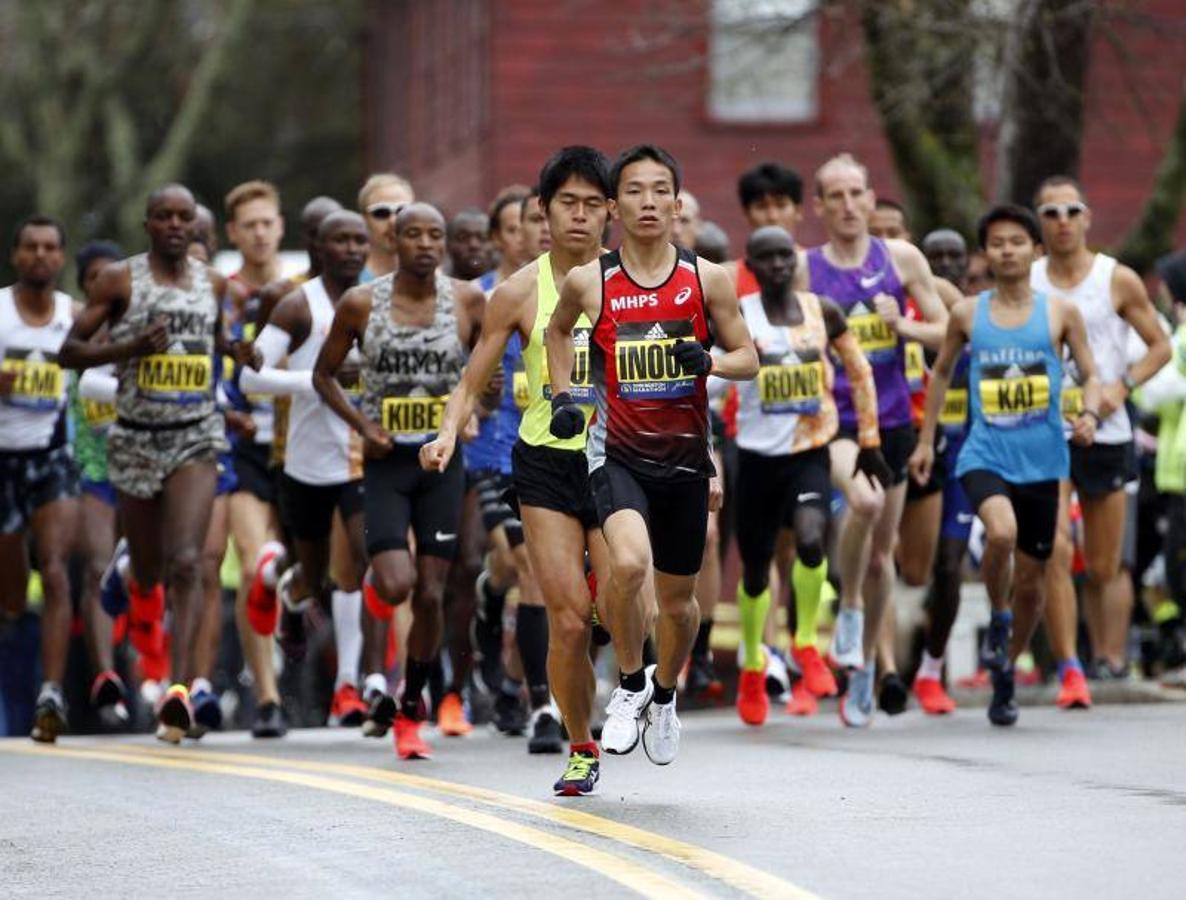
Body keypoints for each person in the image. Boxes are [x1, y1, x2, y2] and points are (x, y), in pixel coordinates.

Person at [547, 143, 758, 766]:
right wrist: (564, 396)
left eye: (659, 190)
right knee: (627, 568)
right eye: (634, 191)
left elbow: (749, 358)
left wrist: (712, 361)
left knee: (678, 604)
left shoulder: (706, 278)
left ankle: (665, 693)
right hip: (616, 453)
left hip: (686, 461)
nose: (647, 202)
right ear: (615, 206)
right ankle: (631, 682)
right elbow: (558, 331)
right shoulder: (592, 280)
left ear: (676, 201)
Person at [421, 146, 615, 794]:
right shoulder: (517, 292)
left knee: (616, 603)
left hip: (619, 461)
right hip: (544, 465)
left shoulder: (630, 284)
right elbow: (471, 379)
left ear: (610, 211)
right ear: (544, 210)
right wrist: (447, 432)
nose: (580, 217)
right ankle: (581, 744)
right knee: (566, 617)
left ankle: (644, 686)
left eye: (593, 205)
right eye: (568, 204)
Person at [60, 184, 247, 743]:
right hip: (136, 437)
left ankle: (180, 687)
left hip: (194, 437)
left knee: (190, 562)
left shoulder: (213, 284)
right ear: (148, 224)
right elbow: (69, 351)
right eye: (162, 216)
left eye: (182, 217)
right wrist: (129, 349)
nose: (173, 225)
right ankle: (129, 574)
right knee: (149, 571)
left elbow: (217, 347)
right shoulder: (120, 280)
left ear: (194, 226)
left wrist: (239, 353)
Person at [909, 203, 1100, 726]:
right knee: (1000, 534)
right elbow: (942, 374)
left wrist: (1087, 412)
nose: (1007, 250)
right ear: (985, 253)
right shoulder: (968, 314)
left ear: (1036, 250)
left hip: (1044, 460)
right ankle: (998, 617)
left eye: (1017, 241)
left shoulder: (1060, 313)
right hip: (984, 452)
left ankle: (1006, 670)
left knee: (1035, 579)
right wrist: (926, 442)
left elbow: (1090, 373)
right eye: (996, 243)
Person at [314, 203, 485, 759]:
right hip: (386, 463)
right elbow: (324, 374)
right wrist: (363, 423)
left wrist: (469, 411)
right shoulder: (362, 302)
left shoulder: (465, 299)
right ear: (394, 239)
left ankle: (412, 706)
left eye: (436, 234)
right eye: (413, 234)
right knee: (395, 584)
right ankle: (376, 651)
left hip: (440, 464)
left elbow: (491, 366)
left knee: (433, 593)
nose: (426, 244)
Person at [797, 153, 948, 727]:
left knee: (885, 555)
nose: (848, 205)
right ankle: (851, 610)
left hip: (892, 422)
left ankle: (861, 671)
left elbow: (946, 329)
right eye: (834, 196)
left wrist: (901, 325)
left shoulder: (901, 258)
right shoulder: (808, 269)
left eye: (856, 193)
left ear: (869, 197)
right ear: (820, 207)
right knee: (864, 501)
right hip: (835, 420)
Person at [728, 226, 888, 726]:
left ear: (794, 261)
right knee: (756, 572)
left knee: (813, 540)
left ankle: (804, 645)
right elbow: (710, 373)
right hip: (754, 458)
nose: (777, 265)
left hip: (810, 449)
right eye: (767, 258)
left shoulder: (824, 311)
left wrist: (869, 440)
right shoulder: (736, 316)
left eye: (785, 256)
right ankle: (753, 663)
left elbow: (858, 370)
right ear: (751, 265)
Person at [1033, 175, 1168, 706]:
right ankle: (1070, 662)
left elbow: (1160, 346)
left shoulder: (1117, 279)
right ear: (1039, 222)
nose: (1063, 221)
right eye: (1051, 212)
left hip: (1107, 430)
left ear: (1087, 218)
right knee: (1055, 550)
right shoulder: (1028, 279)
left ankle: (1109, 659)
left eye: (1072, 210)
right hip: (1045, 431)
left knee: (1104, 562)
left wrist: (1122, 386)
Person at [239, 211, 374, 737]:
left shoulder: (377, 299)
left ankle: (348, 685)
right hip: (304, 462)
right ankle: (275, 580)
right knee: (312, 578)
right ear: (318, 246)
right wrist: (316, 382)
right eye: (339, 240)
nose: (351, 249)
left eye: (358, 240)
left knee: (356, 563)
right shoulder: (298, 305)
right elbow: (251, 378)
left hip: (362, 455)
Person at [0, 215, 79, 742]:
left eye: (51, 247)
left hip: (53, 457)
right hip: (3, 460)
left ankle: (52, 691)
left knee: (53, 570)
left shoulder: (73, 316)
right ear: (16, 255)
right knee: (9, 597)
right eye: (31, 247)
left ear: (61, 257)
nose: (41, 256)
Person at [911, 228, 975, 714]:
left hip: (961, 457)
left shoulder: (978, 318)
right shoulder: (902, 315)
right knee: (895, 565)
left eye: (955, 256)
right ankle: (875, 666)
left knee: (949, 565)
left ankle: (931, 670)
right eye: (935, 256)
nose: (946, 264)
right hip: (909, 447)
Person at [69, 240, 129, 730]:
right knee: (95, 567)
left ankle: (154, 674)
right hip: (92, 471)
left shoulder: (143, 332)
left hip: (145, 467)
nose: (104, 285)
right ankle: (105, 675)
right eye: (94, 278)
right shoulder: (71, 339)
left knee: (148, 572)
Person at [358, 173, 415, 281]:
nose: (393, 221)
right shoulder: (350, 280)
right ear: (364, 220)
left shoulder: (432, 277)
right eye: (381, 213)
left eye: (402, 210)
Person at [477, 187, 530, 293]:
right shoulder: (477, 292)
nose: (521, 238)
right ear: (496, 237)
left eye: (526, 229)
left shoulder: (560, 287)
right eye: (512, 230)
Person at [447, 208, 491, 281]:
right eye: (463, 238)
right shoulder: (433, 288)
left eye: (483, 238)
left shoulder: (510, 288)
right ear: (448, 244)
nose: (474, 245)